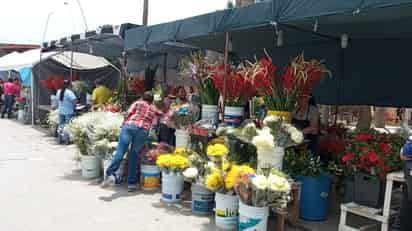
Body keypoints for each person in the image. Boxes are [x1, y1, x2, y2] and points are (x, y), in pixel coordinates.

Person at [102, 92, 160, 192]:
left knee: (120, 151)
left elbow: (128, 114)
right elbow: (154, 123)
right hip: (143, 131)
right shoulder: (153, 108)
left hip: (129, 126)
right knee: (134, 155)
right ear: (152, 100)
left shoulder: (137, 103)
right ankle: (131, 184)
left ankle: (109, 175)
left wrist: (123, 125)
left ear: (142, 98)